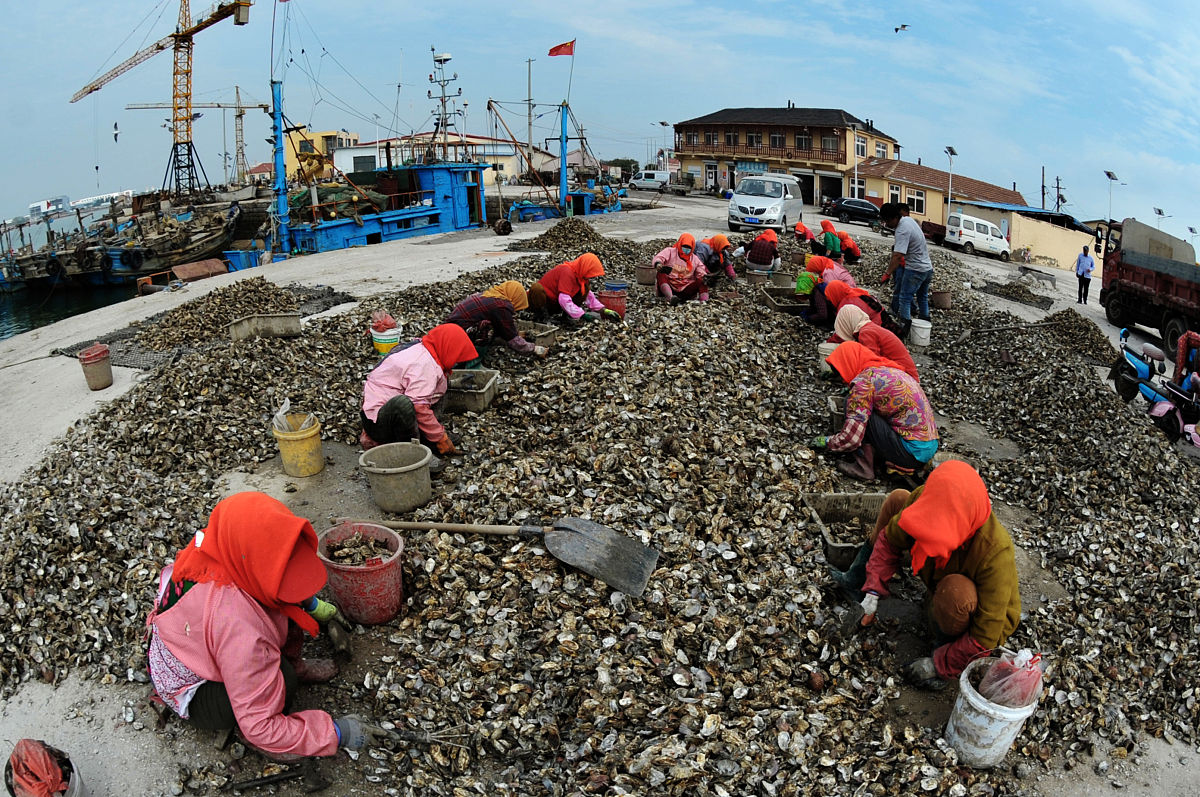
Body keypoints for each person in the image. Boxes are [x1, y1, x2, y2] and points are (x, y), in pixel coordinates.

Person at [146, 492, 392, 757]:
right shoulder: (240, 630)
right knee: (283, 679)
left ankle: (293, 668)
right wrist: (336, 733)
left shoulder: (224, 545)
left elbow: (273, 568)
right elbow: (260, 726)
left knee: (285, 609)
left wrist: (310, 605)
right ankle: (255, 735)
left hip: (191, 640)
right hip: (195, 690)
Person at [833, 461, 1021, 689]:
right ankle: (857, 580)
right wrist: (872, 593)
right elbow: (889, 540)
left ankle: (943, 646)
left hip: (970, 616)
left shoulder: (995, 551)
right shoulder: (925, 497)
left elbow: (986, 637)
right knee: (898, 499)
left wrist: (939, 664)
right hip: (936, 582)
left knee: (956, 592)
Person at [811, 341, 939, 480]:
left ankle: (863, 468)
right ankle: (879, 457)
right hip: (928, 447)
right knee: (864, 407)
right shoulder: (887, 370)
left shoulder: (863, 385)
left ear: (848, 364)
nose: (842, 380)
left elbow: (852, 439)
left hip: (910, 453)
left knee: (853, 404)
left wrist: (828, 442)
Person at [360, 324, 478, 457]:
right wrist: (440, 438)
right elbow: (418, 406)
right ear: (449, 348)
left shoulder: (425, 348)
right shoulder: (425, 365)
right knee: (403, 404)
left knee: (438, 386)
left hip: (385, 411)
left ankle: (428, 437)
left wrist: (452, 383)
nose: (456, 361)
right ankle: (413, 453)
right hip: (378, 424)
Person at [444, 280, 547, 359]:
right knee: (488, 327)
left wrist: (516, 333)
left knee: (494, 324)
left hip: (448, 330)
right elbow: (513, 340)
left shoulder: (491, 295)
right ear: (515, 298)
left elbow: (501, 323)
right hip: (457, 335)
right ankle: (472, 358)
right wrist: (535, 349)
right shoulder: (502, 306)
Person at [880, 202, 933, 340]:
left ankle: (903, 330)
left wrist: (887, 273)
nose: (887, 225)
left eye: (887, 221)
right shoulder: (908, 220)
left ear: (893, 218)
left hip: (915, 269)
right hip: (927, 268)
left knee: (904, 298)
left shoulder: (902, 229)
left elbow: (897, 255)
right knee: (922, 297)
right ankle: (925, 327)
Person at [527, 253, 621, 324]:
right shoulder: (567, 272)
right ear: (585, 267)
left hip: (555, 305)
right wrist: (582, 315)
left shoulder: (582, 277)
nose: (591, 277)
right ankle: (544, 318)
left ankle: (565, 317)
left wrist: (605, 311)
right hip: (541, 303)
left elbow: (589, 297)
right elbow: (563, 299)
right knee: (536, 288)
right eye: (590, 273)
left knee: (585, 290)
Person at [832, 304, 919, 380]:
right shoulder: (869, 327)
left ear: (848, 323)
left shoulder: (866, 333)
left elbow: (871, 361)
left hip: (906, 376)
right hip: (905, 373)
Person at [653, 233, 709, 304]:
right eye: (684, 246)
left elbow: (701, 270)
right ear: (680, 244)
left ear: (692, 248)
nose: (686, 249)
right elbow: (659, 257)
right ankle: (670, 298)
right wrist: (658, 264)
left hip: (685, 288)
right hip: (669, 286)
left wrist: (704, 277)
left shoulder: (694, 259)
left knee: (702, 281)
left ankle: (704, 301)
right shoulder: (670, 252)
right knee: (660, 273)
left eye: (689, 247)